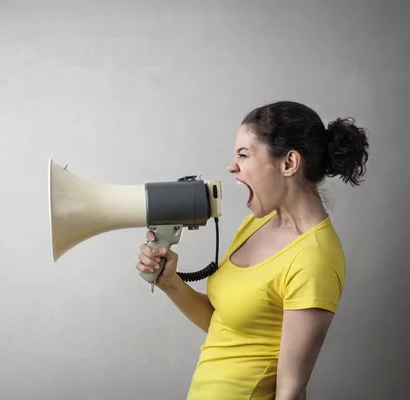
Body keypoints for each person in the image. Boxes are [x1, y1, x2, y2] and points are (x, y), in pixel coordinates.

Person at [136, 101, 369, 400]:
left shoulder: (315, 258)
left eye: (243, 155)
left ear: (289, 164)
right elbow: (227, 326)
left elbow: (291, 389)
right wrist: (170, 283)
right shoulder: (257, 223)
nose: (231, 166)